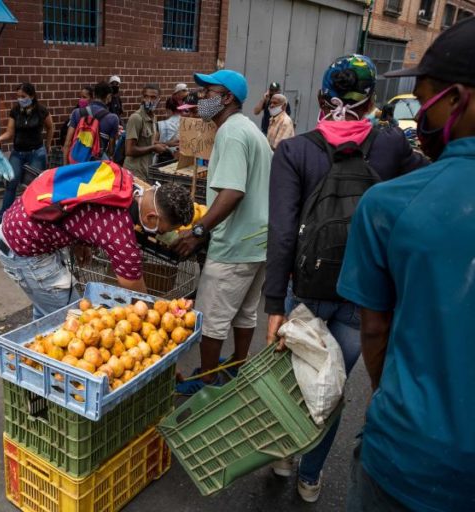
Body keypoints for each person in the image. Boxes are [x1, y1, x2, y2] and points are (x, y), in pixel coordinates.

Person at [263, 54, 427, 502]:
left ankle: (284, 455)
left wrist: (274, 303)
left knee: (295, 378)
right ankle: (311, 476)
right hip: (365, 295)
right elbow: (425, 188)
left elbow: (281, 234)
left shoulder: (294, 152)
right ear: (373, 100)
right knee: (331, 387)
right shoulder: (392, 146)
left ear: (320, 97)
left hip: (307, 290)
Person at [338, 18, 475, 511]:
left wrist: (387, 397)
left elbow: (374, 331)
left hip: (409, 460)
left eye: (425, 100)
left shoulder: (391, 206)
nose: (421, 116)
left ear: (457, 100)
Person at [172, 69, 272, 394]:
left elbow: (232, 191)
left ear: (227, 98)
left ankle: (207, 382)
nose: (201, 99)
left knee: (212, 319)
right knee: (245, 313)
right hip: (259, 242)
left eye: (208, 93)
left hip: (234, 245)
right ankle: (236, 369)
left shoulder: (230, 133)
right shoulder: (252, 131)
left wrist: (199, 229)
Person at [0, 164, 194, 319]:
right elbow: (136, 290)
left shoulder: (123, 178)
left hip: (18, 223)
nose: (160, 234)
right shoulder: (119, 233)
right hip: (24, 250)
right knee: (72, 322)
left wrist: (81, 241)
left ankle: (37, 364)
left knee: (47, 315)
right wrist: (156, 315)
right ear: (152, 218)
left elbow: (83, 199)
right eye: (162, 230)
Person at [0, 82, 54, 223]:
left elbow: (50, 127)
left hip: (36, 152)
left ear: (32, 95)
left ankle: (31, 215)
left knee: (32, 186)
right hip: (18, 152)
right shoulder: (15, 111)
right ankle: (3, 215)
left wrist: (47, 146)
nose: (20, 99)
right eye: (18, 96)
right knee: (11, 182)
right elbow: (10, 132)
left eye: (23, 96)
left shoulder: (41, 111)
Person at [63, 81, 120, 164]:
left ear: (94, 94)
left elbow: (67, 143)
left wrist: (65, 167)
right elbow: (111, 151)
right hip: (96, 167)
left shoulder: (77, 112)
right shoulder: (113, 118)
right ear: (108, 96)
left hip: (77, 164)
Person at [124, 83, 169, 180]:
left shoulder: (153, 117)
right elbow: (129, 150)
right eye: (146, 97)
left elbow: (148, 142)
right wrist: (153, 148)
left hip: (146, 170)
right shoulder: (136, 118)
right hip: (134, 173)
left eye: (153, 97)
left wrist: (169, 144)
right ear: (142, 98)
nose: (149, 100)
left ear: (159, 100)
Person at [60, 85, 94, 151]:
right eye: (80, 97)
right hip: (76, 146)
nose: (81, 99)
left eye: (84, 97)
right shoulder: (76, 112)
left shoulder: (94, 112)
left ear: (91, 98)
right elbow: (65, 128)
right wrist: (63, 144)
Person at [156, 97, 181, 163]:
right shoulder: (187, 123)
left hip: (163, 159)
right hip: (180, 158)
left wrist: (167, 144)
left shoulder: (160, 124)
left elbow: (153, 143)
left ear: (168, 109)